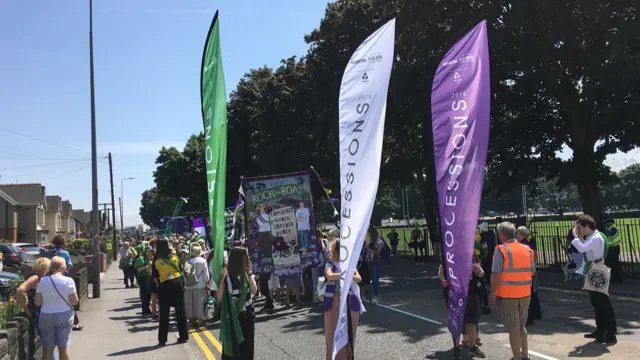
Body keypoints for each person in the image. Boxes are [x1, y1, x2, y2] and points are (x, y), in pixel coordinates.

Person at [490, 221, 535, 360]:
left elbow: (495, 273)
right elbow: (532, 271)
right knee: (522, 326)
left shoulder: (501, 249)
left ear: (502, 234)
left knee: (513, 329)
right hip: (525, 293)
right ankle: (524, 355)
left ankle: (517, 358)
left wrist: (492, 292)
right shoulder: (527, 249)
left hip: (508, 295)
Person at [571, 215, 618, 343]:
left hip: (597, 270)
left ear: (586, 226)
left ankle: (610, 332)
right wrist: (579, 236)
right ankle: (601, 330)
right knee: (597, 302)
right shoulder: (593, 236)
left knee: (603, 302)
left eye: (580, 226)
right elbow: (585, 248)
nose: (578, 229)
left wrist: (575, 236)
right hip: (593, 269)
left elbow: (581, 248)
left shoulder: (596, 238)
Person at [214, 247, 258, 359]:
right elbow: (218, 298)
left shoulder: (246, 274)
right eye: (246, 256)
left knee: (247, 348)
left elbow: (254, 291)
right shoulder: (227, 276)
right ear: (239, 259)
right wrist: (222, 279)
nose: (248, 259)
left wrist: (249, 273)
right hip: (233, 317)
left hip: (247, 315)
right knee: (233, 349)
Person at [323, 239, 363, 360]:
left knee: (349, 335)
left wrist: (346, 274)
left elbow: (359, 278)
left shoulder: (350, 263)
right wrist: (345, 275)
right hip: (334, 301)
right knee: (333, 334)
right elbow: (329, 275)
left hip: (350, 301)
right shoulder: (330, 263)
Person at [35, 256, 79, 360]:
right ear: (63, 267)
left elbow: (37, 302)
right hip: (64, 315)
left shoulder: (42, 281)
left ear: (51, 267)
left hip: (46, 316)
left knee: (48, 348)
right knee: (63, 347)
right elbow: (75, 301)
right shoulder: (69, 281)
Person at [152, 238, 188, 345]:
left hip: (165, 285)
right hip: (177, 283)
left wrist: (160, 286)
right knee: (180, 311)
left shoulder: (156, 260)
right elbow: (181, 269)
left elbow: (154, 277)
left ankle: (162, 340)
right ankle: (183, 336)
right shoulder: (174, 257)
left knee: (164, 313)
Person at [516, 226, 542, 325]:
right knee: (533, 293)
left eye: (518, 233)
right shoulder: (528, 243)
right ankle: (536, 314)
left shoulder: (522, 245)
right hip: (530, 271)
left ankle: (529, 317)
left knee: (527, 296)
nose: (516, 235)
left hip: (525, 273)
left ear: (521, 234)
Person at [184, 242, 210, 327]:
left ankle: (191, 320)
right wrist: (207, 282)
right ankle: (200, 320)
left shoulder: (188, 261)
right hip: (200, 285)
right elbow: (206, 276)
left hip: (189, 285)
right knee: (199, 302)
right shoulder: (203, 261)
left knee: (190, 303)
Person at [366, 227, 384, 304]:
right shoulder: (371, 241)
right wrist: (367, 255)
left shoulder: (379, 241)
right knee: (372, 279)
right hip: (370, 261)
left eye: (370, 233)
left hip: (376, 261)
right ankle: (373, 295)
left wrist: (368, 249)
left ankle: (377, 296)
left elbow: (377, 253)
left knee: (375, 279)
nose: (369, 235)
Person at [134, 245, 154, 316]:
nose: (149, 252)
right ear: (145, 252)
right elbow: (137, 269)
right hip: (143, 278)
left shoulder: (152, 258)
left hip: (150, 278)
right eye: (147, 251)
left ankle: (147, 309)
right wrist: (145, 267)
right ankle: (145, 311)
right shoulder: (141, 259)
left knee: (149, 295)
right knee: (144, 294)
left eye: (150, 251)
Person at [602, 216, 622, 284]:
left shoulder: (613, 228)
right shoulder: (609, 228)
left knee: (615, 264)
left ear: (610, 222)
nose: (605, 224)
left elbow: (609, 234)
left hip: (614, 248)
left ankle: (617, 279)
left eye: (606, 222)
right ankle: (614, 278)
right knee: (611, 264)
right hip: (610, 248)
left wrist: (603, 233)